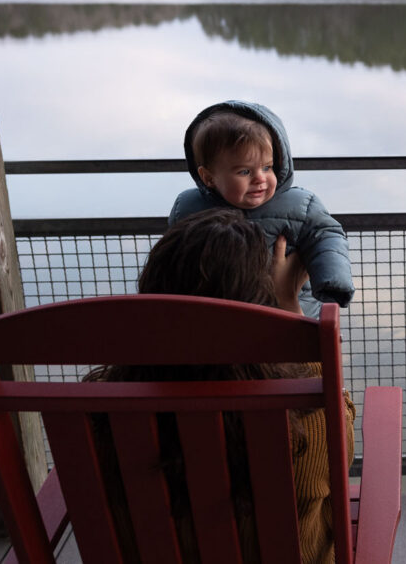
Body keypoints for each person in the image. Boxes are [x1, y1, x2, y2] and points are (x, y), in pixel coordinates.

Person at [85, 208, 356, 564]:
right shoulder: (304, 410)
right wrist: (288, 305)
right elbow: (340, 458)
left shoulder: (103, 412)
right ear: (258, 303)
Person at [169, 99, 355, 317]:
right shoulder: (189, 209)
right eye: (244, 172)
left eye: (267, 167)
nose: (260, 179)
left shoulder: (301, 205)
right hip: (221, 314)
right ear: (208, 177)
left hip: (293, 311)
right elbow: (174, 262)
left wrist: (332, 282)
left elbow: (327, 237)